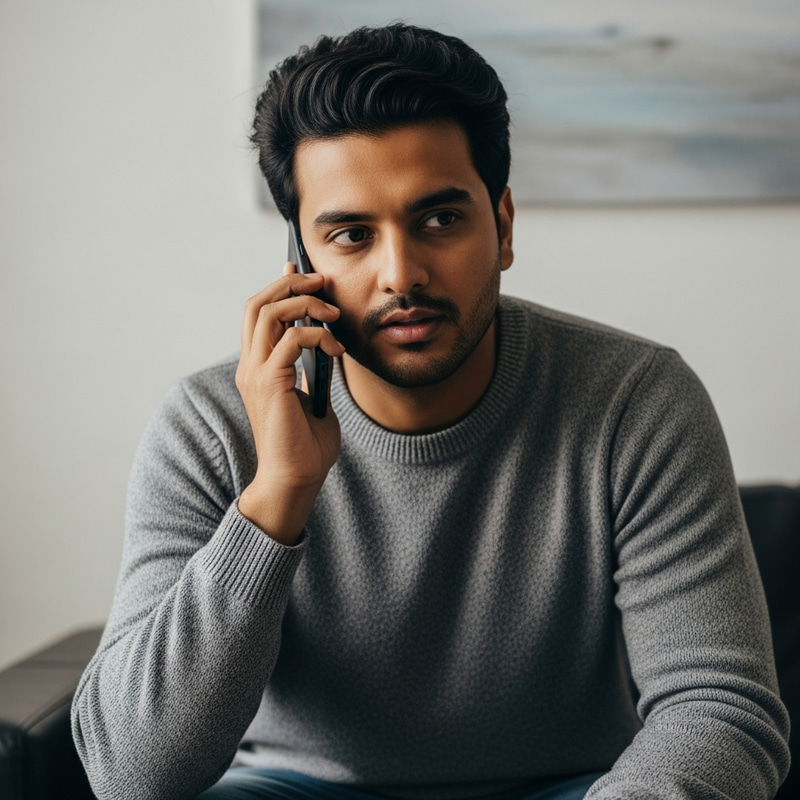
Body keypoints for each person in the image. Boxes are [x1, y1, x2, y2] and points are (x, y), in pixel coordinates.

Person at [71, 23, 790, 800]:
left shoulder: (636, 401)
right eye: (350, 235)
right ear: (302, 264)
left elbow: (720, 709)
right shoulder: (208, 425)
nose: (401, 274)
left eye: (440, 220)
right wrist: (275, 496)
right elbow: (130, 777)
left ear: (504, 226)